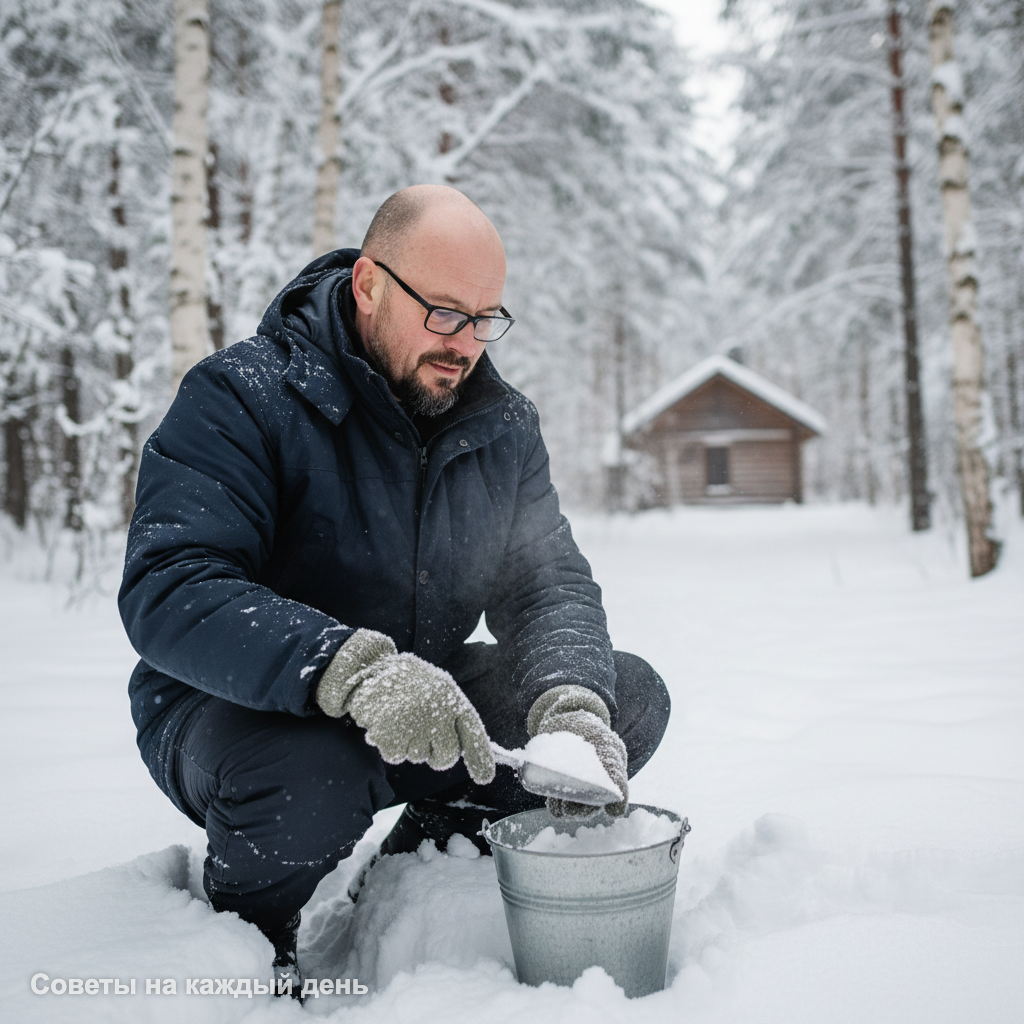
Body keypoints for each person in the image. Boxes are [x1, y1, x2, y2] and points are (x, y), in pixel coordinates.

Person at [118, 184, 670, 992]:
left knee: (625, 694)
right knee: (313, 776)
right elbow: (171, 584)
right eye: (444, 313)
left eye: (487, 318)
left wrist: (571, 703)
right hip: (239, 711)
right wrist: (353, 669)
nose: (467, 343)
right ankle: (246, 944)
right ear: (368, 284)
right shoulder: (243, 396)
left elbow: (547, 585)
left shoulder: (501, 427)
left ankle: (429, 854)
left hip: (430, 706)